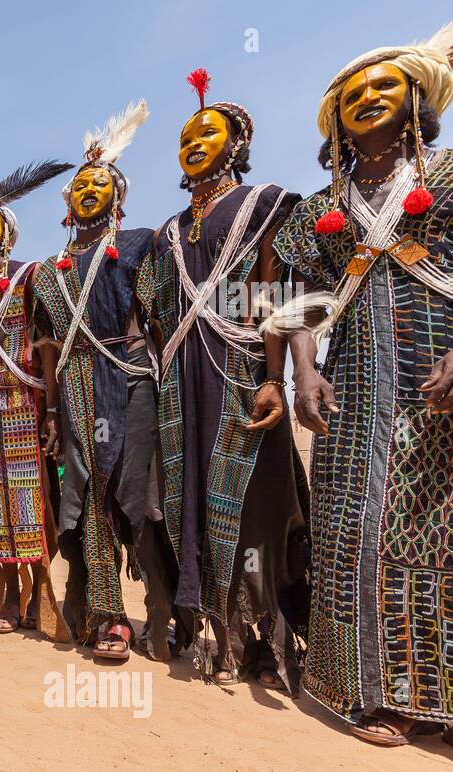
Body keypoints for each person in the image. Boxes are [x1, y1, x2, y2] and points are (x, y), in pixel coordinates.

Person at [266, 22, 453, 744]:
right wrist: (303, 370)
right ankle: (370, 692)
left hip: (437, 374)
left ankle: (439, 694)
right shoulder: (319, 210)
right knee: (352, 528)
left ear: (416, 100)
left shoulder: (448, 178)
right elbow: (304, 298)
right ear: (337, 120)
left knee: (434, 529)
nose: (368, 99)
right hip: (349, 379)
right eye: (353, 95)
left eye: (384, 87)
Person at [136, 70, 309, 690]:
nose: (194, 140)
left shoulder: (262, 204)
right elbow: (153, 316)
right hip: (182, 383)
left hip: (240, 374)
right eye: (185, 134)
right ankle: (215, 629)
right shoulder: (166, 233)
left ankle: (265, 637)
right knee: (191, 501)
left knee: (255, 501)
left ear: (237, 142)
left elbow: (277, 293)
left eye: (208, 129)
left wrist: (275, 377)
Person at [30, 100, 176, 662]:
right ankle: (107, 615)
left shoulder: (141, 243)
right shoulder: (47, 273)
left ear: (119, 194)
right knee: (88, 496)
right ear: (67, 202)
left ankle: (167, 613)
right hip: (74, 386)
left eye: (99, 182)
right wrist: (48, 411)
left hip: (132, 377)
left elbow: (162, 319)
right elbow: (47, 349)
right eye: (79, 185)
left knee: (134, 495)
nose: (87, 190)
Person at [0, 160, 73, 634]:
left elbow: (46, 346)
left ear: (9, 234)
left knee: (31, 498)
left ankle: (37, 595)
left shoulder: (30, 277)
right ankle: (3, 595)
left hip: (25, 402)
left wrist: (51, 410)